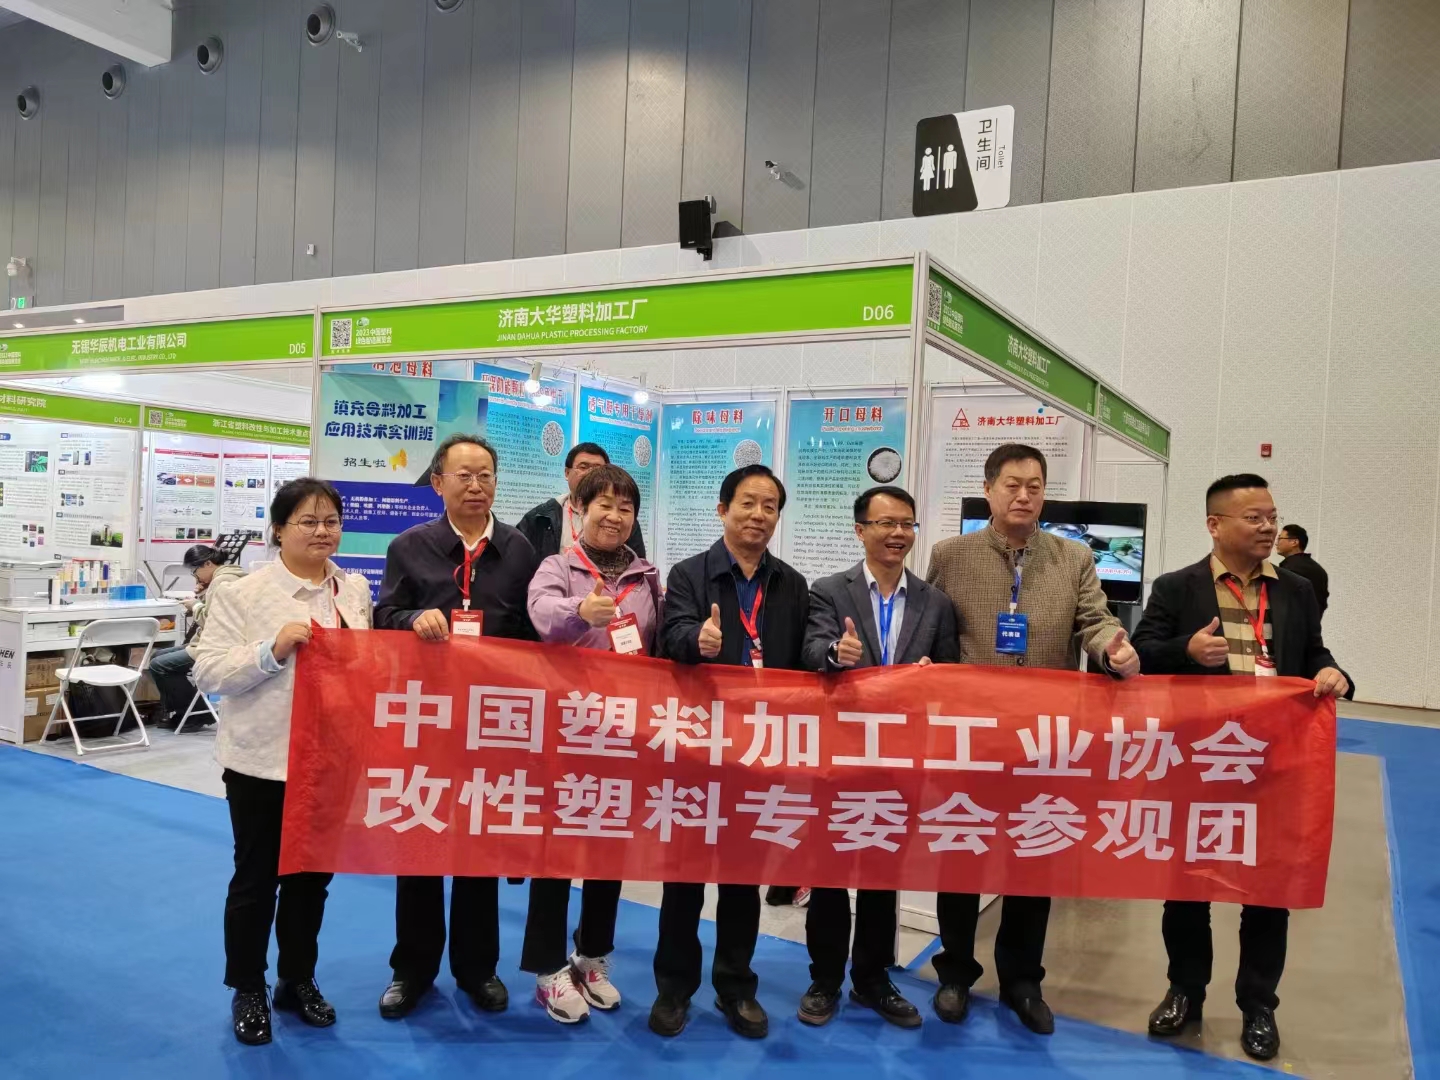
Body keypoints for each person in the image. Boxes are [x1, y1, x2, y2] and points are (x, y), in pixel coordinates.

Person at [1132, 474, 1352, 1062]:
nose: (1268, 527)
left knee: (1267, 891)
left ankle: (1258, 1005)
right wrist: (1185, 650)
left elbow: (1313, 651)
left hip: (1275, 762)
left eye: (1271, 516)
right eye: (1254, 517)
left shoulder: (1296, 589)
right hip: (1198, 761)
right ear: (1215, 524)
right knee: (1187, 887)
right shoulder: (1176, 587)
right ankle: (1185, 992)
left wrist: (1332, 671)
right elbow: (1142, 652)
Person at [923, 443, 1139, 1035]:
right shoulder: (951, 555)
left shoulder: (1073, 557)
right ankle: (954, 973)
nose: (1024, 496)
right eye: (1012, 485)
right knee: (962, 856)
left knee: (1034, 859)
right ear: (989, 490)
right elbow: (931, 625)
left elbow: (1095, 620)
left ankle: (1022, 980)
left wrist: (1113, 649)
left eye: (1035, 486)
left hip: (1045, 742)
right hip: (972, 738)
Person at [193, 478, 373, 1046]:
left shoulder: (354, 590)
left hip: (331, 762)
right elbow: (207, 671)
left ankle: (297, 978)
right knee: (256, 880)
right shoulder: (243, 593)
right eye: (308, 521)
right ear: (278, 529)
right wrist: (271, 651)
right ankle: (248, 986)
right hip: (263, 762)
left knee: (311, 883)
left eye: (331, 521)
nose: (322, 532)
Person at [373, 434, 538, 1020]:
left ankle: (477, 968)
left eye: (485, 474)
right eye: (463, 475)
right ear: (438, 482)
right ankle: (412, 969)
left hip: (493, 723)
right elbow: (383, 615)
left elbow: (532, 633)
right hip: (427, 721)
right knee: (418, 844)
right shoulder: (409, 547)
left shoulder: (520, 550)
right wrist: (413, 618)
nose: (475, 485)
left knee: (478, 851)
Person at [649, 464, 810, 1040]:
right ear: (723, 510)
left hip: (759, 753)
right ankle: (674, 988)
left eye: (770, 506)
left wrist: (834, 656)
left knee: (743, 879)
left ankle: (736, 986)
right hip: (698, 748)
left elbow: (804, 658)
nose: (758, 516)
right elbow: (669, 637)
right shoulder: (689, 574)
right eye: (748, 503)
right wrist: (697, 640)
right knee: (684, 879)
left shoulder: (792, 583)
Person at [797, 485, 959, 1029]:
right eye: (886, 523)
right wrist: (834, 654)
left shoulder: (935, 602)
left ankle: (871, 979)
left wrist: (935, 679)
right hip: (839, 755)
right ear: (860, 530)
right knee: (828, 872)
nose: (897, 533)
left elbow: (952, 678)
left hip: (900, 760)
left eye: (906, 524)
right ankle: (824, 979)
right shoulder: (829, 591)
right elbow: (810, 651)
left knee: (881, 874)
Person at [525, 464, 663, 1023]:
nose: (614, 516)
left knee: (609, 848)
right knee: (556, 852)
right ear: (579, 509)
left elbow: (657, 645)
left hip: (625, 733)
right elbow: (539, 615)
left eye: (625, 507)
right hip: (566, 731)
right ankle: (547, 969)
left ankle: (592, 956)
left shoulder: (648, 577)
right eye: (603, 504)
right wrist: (578, 611)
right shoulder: (557, 567)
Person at [151, 544, 245, 730]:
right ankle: (186, 711)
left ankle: (196, 714)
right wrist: (203, 595)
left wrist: (195, 605)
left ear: (208, 564)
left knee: (158, 665)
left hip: (218, 645)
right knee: (157, 656)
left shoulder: (221, 582)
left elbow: (211, 621)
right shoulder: (232, 575)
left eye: (195, 572)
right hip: (211, 641)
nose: (195, 577)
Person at [517, 442, 646, 560]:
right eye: (583, 467)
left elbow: (637, 564)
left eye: (598, 469)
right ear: (567, 473)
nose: (590, 474)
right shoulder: (540, 517)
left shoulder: (623, 522)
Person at [1275, 524, 1329, 618]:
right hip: (1313, 625)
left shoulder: (1289, 569)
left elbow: (1281, 602)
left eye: (1280, 538)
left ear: (1294, 542)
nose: (1276, 543)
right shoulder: (1319, 570)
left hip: (1291, 625)